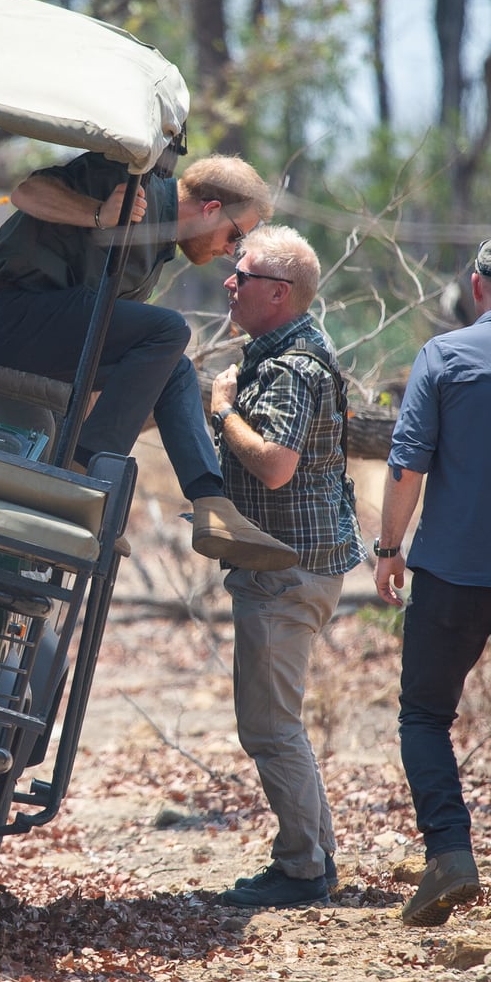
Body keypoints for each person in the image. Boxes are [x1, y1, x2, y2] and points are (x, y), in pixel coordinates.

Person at [0, 151, 294, 569]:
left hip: (42, 333)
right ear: (210, 211)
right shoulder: (131, 183)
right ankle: (82, 481)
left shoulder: (159, 251)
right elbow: (27, 193)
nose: (230, 253)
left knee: (176, 366)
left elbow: (96, 340)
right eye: (235, 238)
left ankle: (210, 501)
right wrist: (98, 212)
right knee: (170, 330)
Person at [210, 224, 366, 909]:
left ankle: (303, 869)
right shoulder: (295, 354)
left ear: (276, 294)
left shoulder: (287, 370)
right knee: (277, 724)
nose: (228, 284)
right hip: (296, 568)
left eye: (239, 276)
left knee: (270, 729)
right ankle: (311, 856)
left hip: (285, 574)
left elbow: (274, 465)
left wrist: (221, 411)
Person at [372, 241, 491, 927]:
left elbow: (406, 464)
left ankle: (449, 857)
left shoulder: (444, 359)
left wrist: (388, 548)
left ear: (477, 287)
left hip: (451, 574)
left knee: (423, 717)